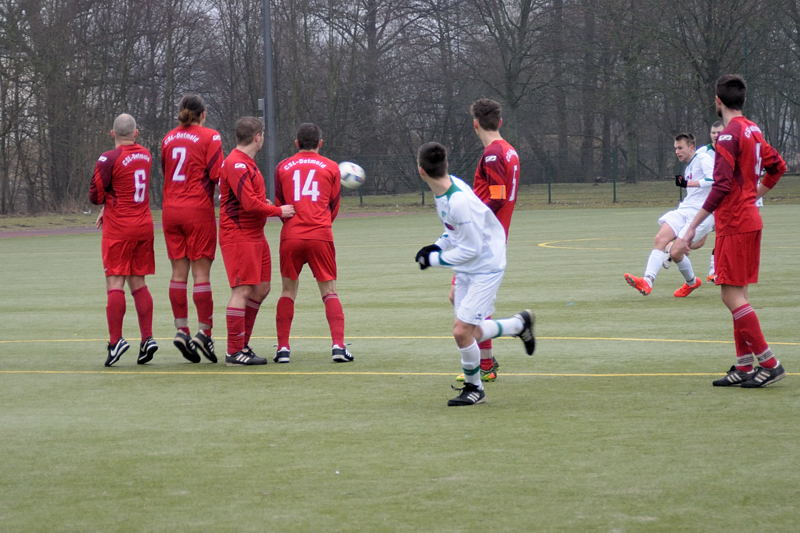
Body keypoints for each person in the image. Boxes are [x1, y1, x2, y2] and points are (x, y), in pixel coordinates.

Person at [675, 74, 787, 388]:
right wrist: (755, 194)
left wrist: (691, 229)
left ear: (718, 101)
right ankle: (744, 366)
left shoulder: (728, 136)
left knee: (731, 296)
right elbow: (778, 166)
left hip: (735, 223)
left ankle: (769, 363)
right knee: (738, 294)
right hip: (748, 219)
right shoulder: (753, 129)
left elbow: (721, 186)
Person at [414, 141, 535, 406]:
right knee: (471, 330)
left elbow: (470, 248)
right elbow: (454, 231)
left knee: (461, 331)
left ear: (420, 170)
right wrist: (438, 244)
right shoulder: (447, 189)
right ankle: (518, 324)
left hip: (486, 265)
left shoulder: (457, 200)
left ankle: (475, 388)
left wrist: (432, 259)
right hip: (472, 264)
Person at [454, 98, 521, 383]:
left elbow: (496, 196)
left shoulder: (493, 154)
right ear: (500, 122)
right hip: (491, 240)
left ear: (475, 124)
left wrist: (471, 220)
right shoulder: (509, 151)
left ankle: (489, 360)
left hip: (481, 241)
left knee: (467, 309)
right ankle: (486, 362)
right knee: (465, 301)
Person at [273, 123, 352, 363]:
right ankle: (338, 347)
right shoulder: (330, 167)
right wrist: (321, 223)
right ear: (320, 143)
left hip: (292, 235)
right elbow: (333, 205)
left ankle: (283, 349)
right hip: (320, 234)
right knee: (329, 291)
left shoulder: (282, 167)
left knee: (287, 291)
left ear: (296, 143)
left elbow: (280, 204)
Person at [218, 117, 294, 365]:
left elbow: (251, 199)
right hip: (238, 234)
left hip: (254, 234)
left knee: (261, 288)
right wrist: (278, 211)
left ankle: (242, 345)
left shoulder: (246, 163)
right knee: (242, 290)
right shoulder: (236, 163)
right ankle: (233, 351)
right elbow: (249, 205)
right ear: (257, 137)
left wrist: (265, 205)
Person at [89, 113, 158, 367]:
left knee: (115, 282)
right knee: (138, 282)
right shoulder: (146, 155)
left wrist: (104, 206)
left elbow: (96, 194)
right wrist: (107, 206)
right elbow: (124, 186)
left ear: (112, 133)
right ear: (136, 133)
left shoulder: (108, 158)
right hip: (143, 225)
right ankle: (147, 338)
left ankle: (115, 341)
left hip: (119, 228)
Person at [161, 94, 224, 363]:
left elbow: (167, 171)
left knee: (178, 272)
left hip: (170, 209)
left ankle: (181, 330)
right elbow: (216, 174)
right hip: (197, 209)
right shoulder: (211, 136)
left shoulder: (167, 138)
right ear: (203, 113)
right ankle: (204, 332)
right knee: (201, 274)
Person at [624, 133, 714, 297]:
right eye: (675, 148)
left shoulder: (702, 158)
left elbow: (714, 179)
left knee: (675, 252)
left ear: (691, 147)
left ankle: (692, 282)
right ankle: (647, 281)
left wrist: (688, 183)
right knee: (660, 239)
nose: (677, 152)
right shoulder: (689, 166)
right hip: (685, 210)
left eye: (680, 148)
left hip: (702, 213)